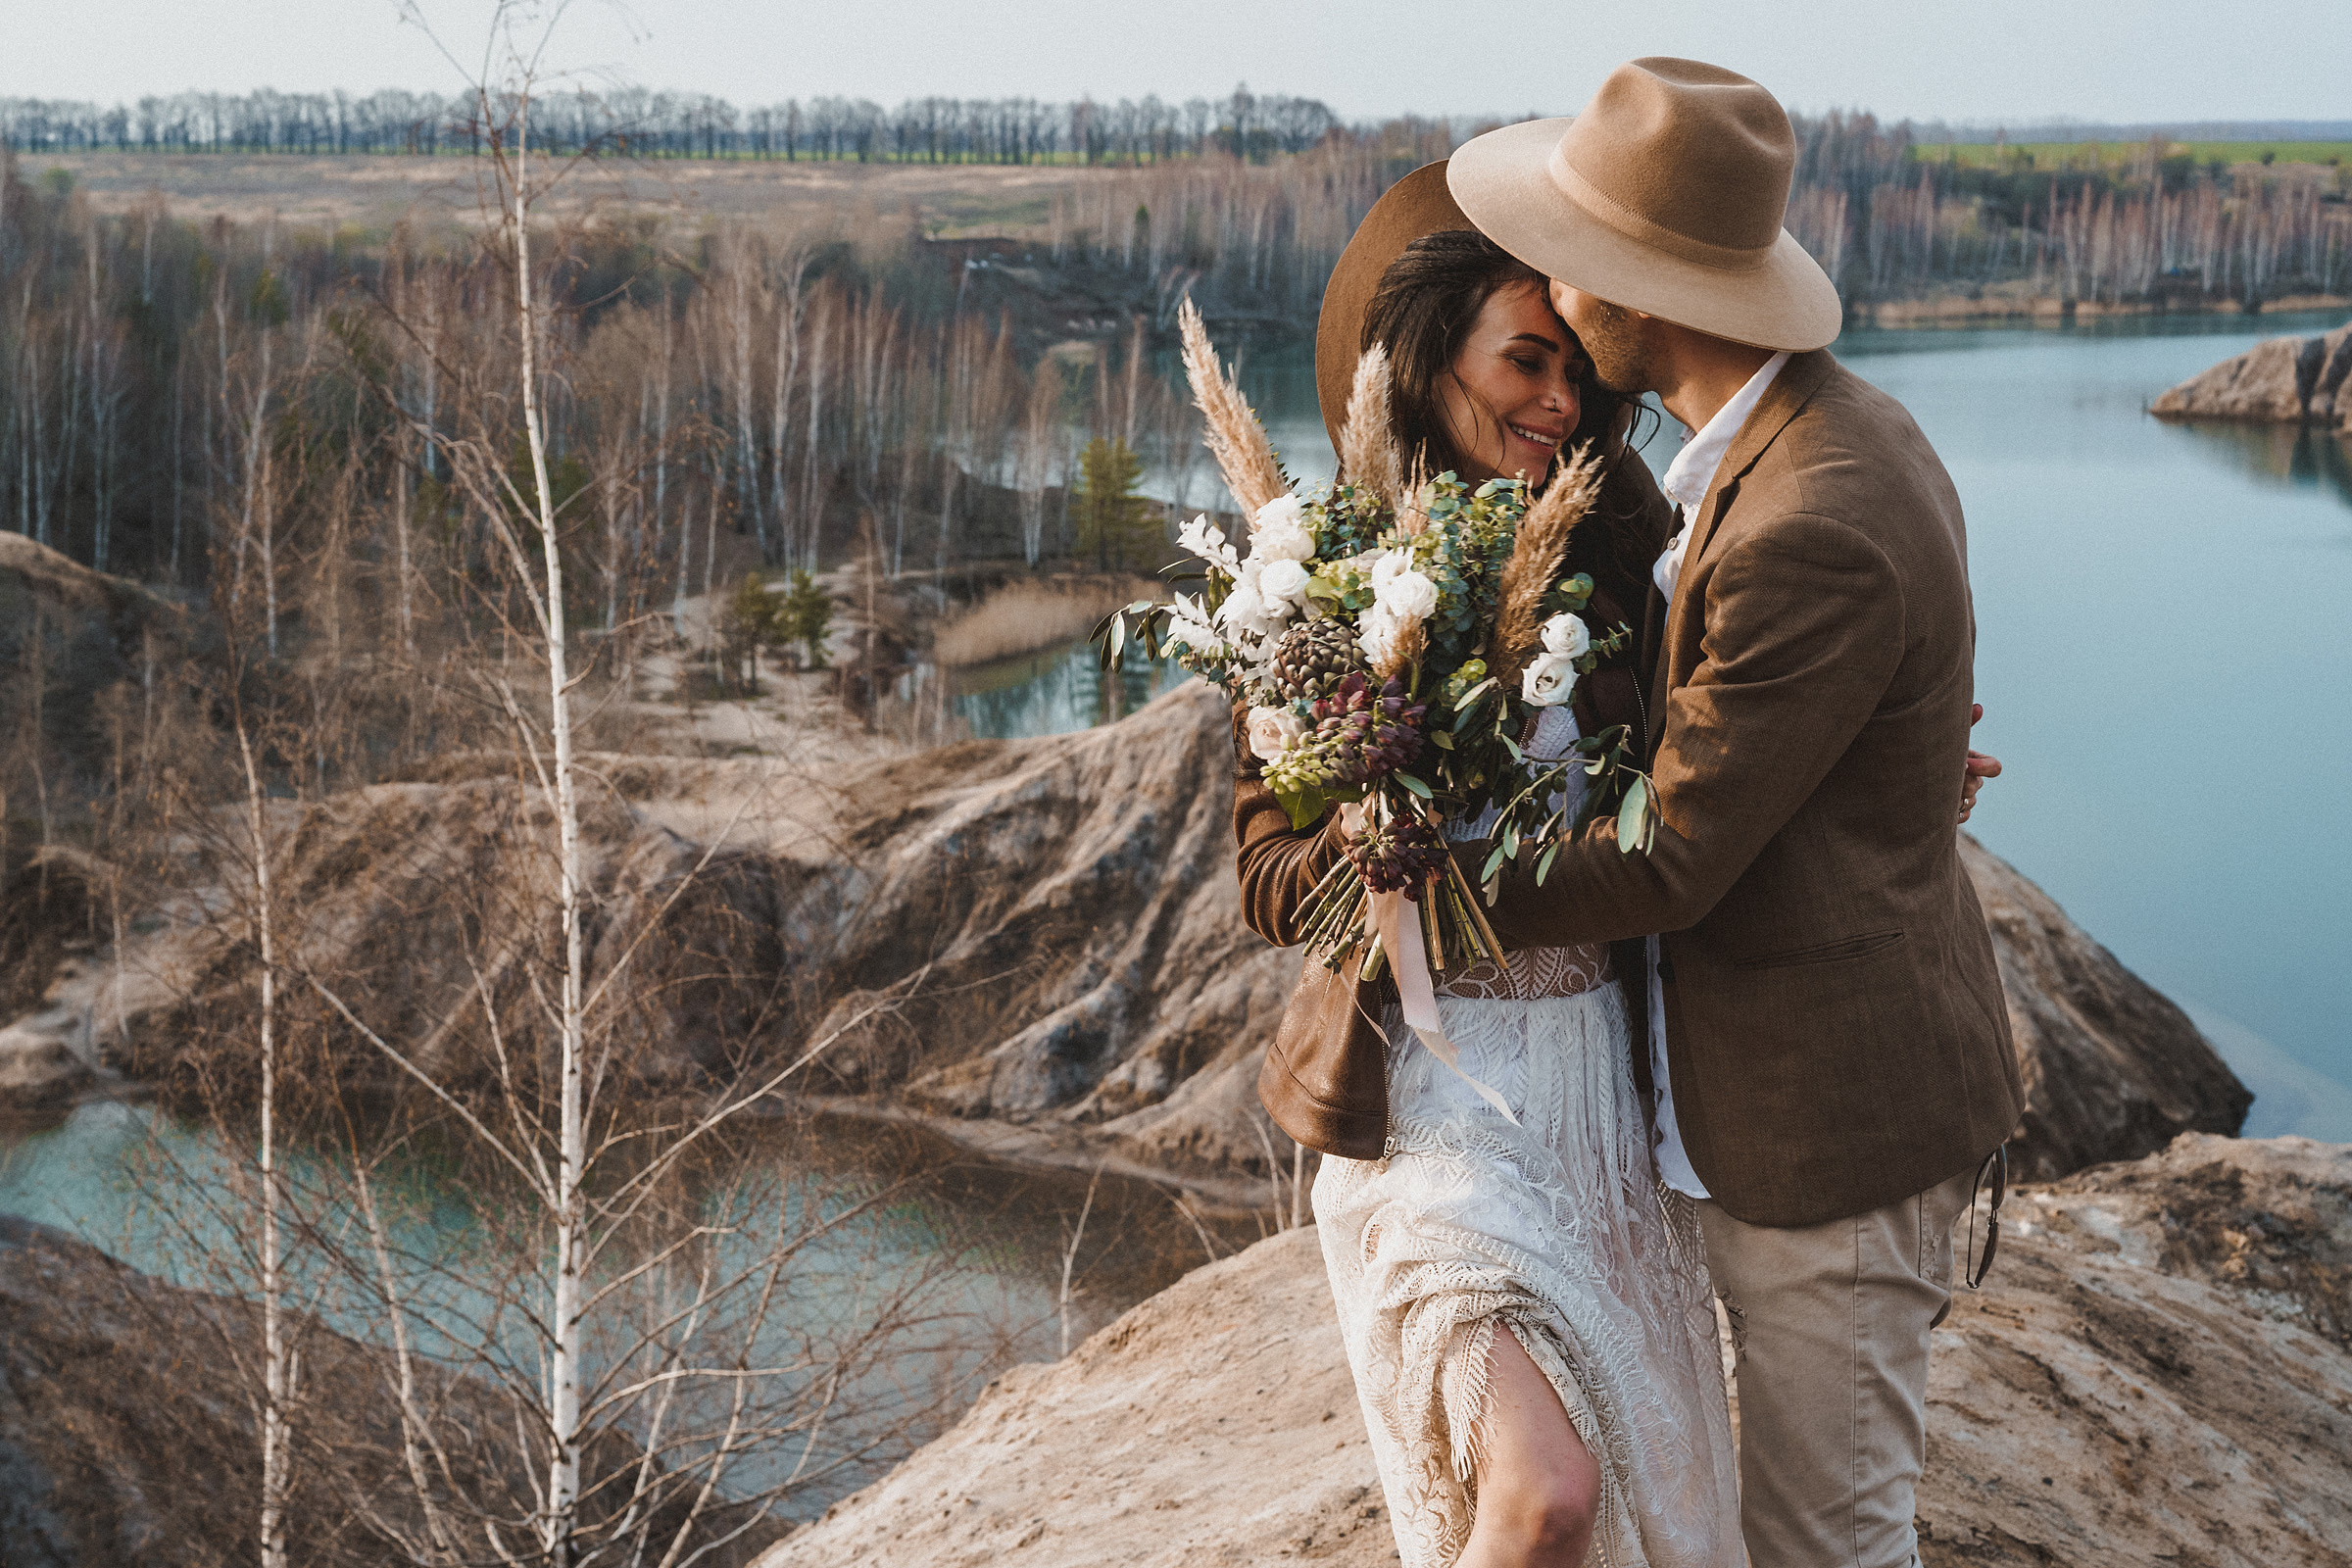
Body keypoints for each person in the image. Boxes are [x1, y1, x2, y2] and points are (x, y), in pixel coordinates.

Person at [1234, 165, 2000, 1566]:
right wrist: (1383, 874)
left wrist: (1883, 756)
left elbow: (1718, 763)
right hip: (1430, 1111)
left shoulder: (1625, 528)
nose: (1563, 400)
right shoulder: (1318, 575)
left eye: (1576, 368)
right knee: (1543, 1499)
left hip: (1611, 1101)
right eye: (1527, 361)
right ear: (1423, 362)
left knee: (1648, 1516)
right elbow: (1267, 868)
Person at [1426, 56, 2028, 1568]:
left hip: (1829, 1136)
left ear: (1647, 294)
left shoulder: (1808, 515)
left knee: (1830, 1543)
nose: (1556, 300)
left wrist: (1425, 880)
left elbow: (1678, 851)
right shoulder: (1793, 444)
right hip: (1763, 1109)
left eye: (1576, 269)